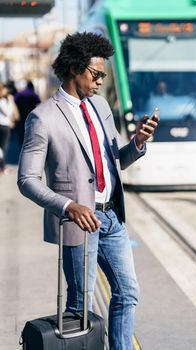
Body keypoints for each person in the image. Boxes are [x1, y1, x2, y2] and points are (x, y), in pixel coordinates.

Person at [17, 32, 159, 350]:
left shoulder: (101, 106)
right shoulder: (43, 118)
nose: (100, 81)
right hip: (78, 223)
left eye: (103, 75)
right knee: (81, 306)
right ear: (73, 70)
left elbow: (112, 161)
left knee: (127, 291)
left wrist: (137, 143)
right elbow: (27, 179)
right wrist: (69, 206)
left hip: (113, 218)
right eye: (96, 74)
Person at [0, 81, 19, 174]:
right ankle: (2, 168)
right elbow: (8, 112)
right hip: (4, 126)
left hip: (4, 125)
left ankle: (2, 167)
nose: (6, 90)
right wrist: (11, 101)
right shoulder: (2, 101)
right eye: (4, 88)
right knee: (3, 147)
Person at [14, 80, 40, 145]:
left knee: (21, 127)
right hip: (30, 113)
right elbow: (38, 102)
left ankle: (21, 140)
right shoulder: (33, 94)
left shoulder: (20, 93)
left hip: (21, 113)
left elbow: (14, 100)